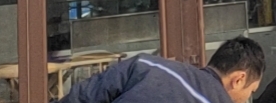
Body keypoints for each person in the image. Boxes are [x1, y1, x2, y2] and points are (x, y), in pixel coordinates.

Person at [61, 37, 265, 103]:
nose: (247, 99)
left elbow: (84, 96)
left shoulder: (148, 65)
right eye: (251, 91)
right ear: (238, 79)